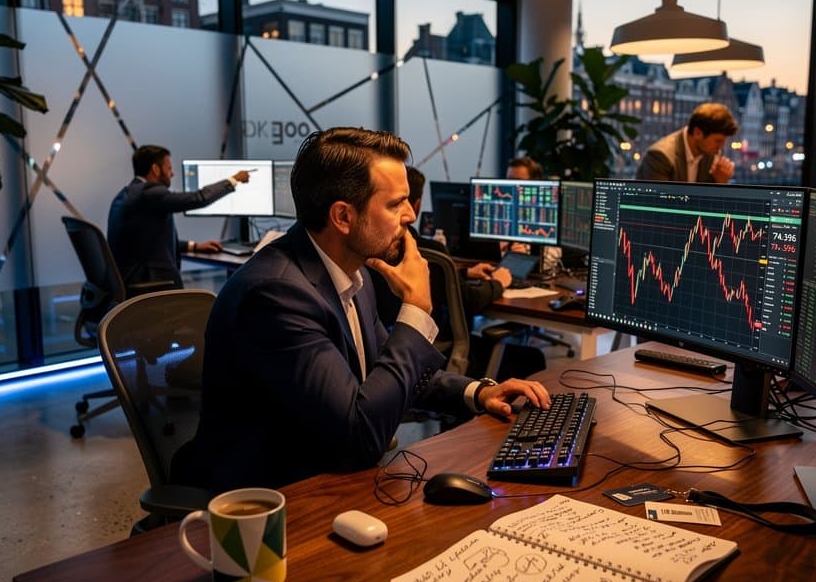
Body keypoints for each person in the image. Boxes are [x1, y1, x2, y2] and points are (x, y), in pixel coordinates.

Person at [171, 127, 550, 493]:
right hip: (272, 498)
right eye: (395, 203)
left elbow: (390, 371)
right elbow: (358, 438)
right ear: (343, 217)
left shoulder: (354, 273)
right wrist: (416, 309)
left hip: (327, 477)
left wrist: (478, 393)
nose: (410, 216)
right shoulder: (277, 295)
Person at [374, 166, 512, 328]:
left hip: (387, 341)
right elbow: (469, 300)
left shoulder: (371, 248)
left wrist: (463, 273)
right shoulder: (431, 251)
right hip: (429, 346)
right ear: (417, 205)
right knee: (533, 355)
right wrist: (498, 283)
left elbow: (435, 280)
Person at [107, 145, 250, 288]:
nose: (172, 174)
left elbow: (150, 241)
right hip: (150, 285)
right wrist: (233, 180)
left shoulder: (128, 194)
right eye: (169, 168)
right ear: (156, 169)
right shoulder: (149, 193)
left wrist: (194, 246)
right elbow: (199, 198)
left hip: (132, 283)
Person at [635, 103, 738, 184]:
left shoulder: (712, 154)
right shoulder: (661, 156)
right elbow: (659, 205)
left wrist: (721, 182)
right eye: (718, 141)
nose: (721, 147)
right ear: (698, 133)